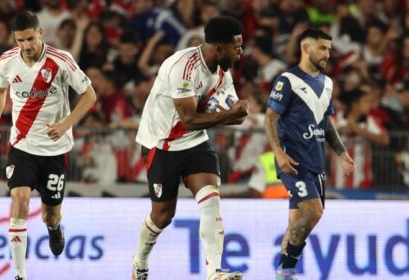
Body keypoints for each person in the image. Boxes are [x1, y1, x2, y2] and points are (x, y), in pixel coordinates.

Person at [133, 16, 248, 280]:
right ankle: (140, 260)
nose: (241, 52)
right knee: (162, 216)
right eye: (236, 47)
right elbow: (189, 119)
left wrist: (233, 113)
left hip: (195, 143)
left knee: (211, 200)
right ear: (219, 48)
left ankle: (214, 271)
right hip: (161, 144)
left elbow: (236, 114)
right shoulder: (182, 67)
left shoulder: (222, 73)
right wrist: (230, 114)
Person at [0, 11, 96, 280]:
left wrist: (65, 124)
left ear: (41, 34)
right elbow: (0, 91)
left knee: (50, 214)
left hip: (55, 150)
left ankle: (55, 227)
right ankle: (19, 275)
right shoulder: (7, 62)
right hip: (22, 146)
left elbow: (89, 95)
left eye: (30, 39)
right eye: (20, 40)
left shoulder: (61, 61)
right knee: (19, 201)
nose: (26, 46)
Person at [264, 28, 356, 280]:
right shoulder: (287, 80)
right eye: (322, 48)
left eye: (329, 48)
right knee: (313, 211)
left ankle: (283, 274)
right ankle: (287, 269)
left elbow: (325, 122)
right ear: (306, 48)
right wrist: (278, 154)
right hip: (293, 159)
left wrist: (342, 152)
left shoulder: (327, 83)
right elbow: (270, 119)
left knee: (297, 221)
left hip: (316, 162)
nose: (328, 53)